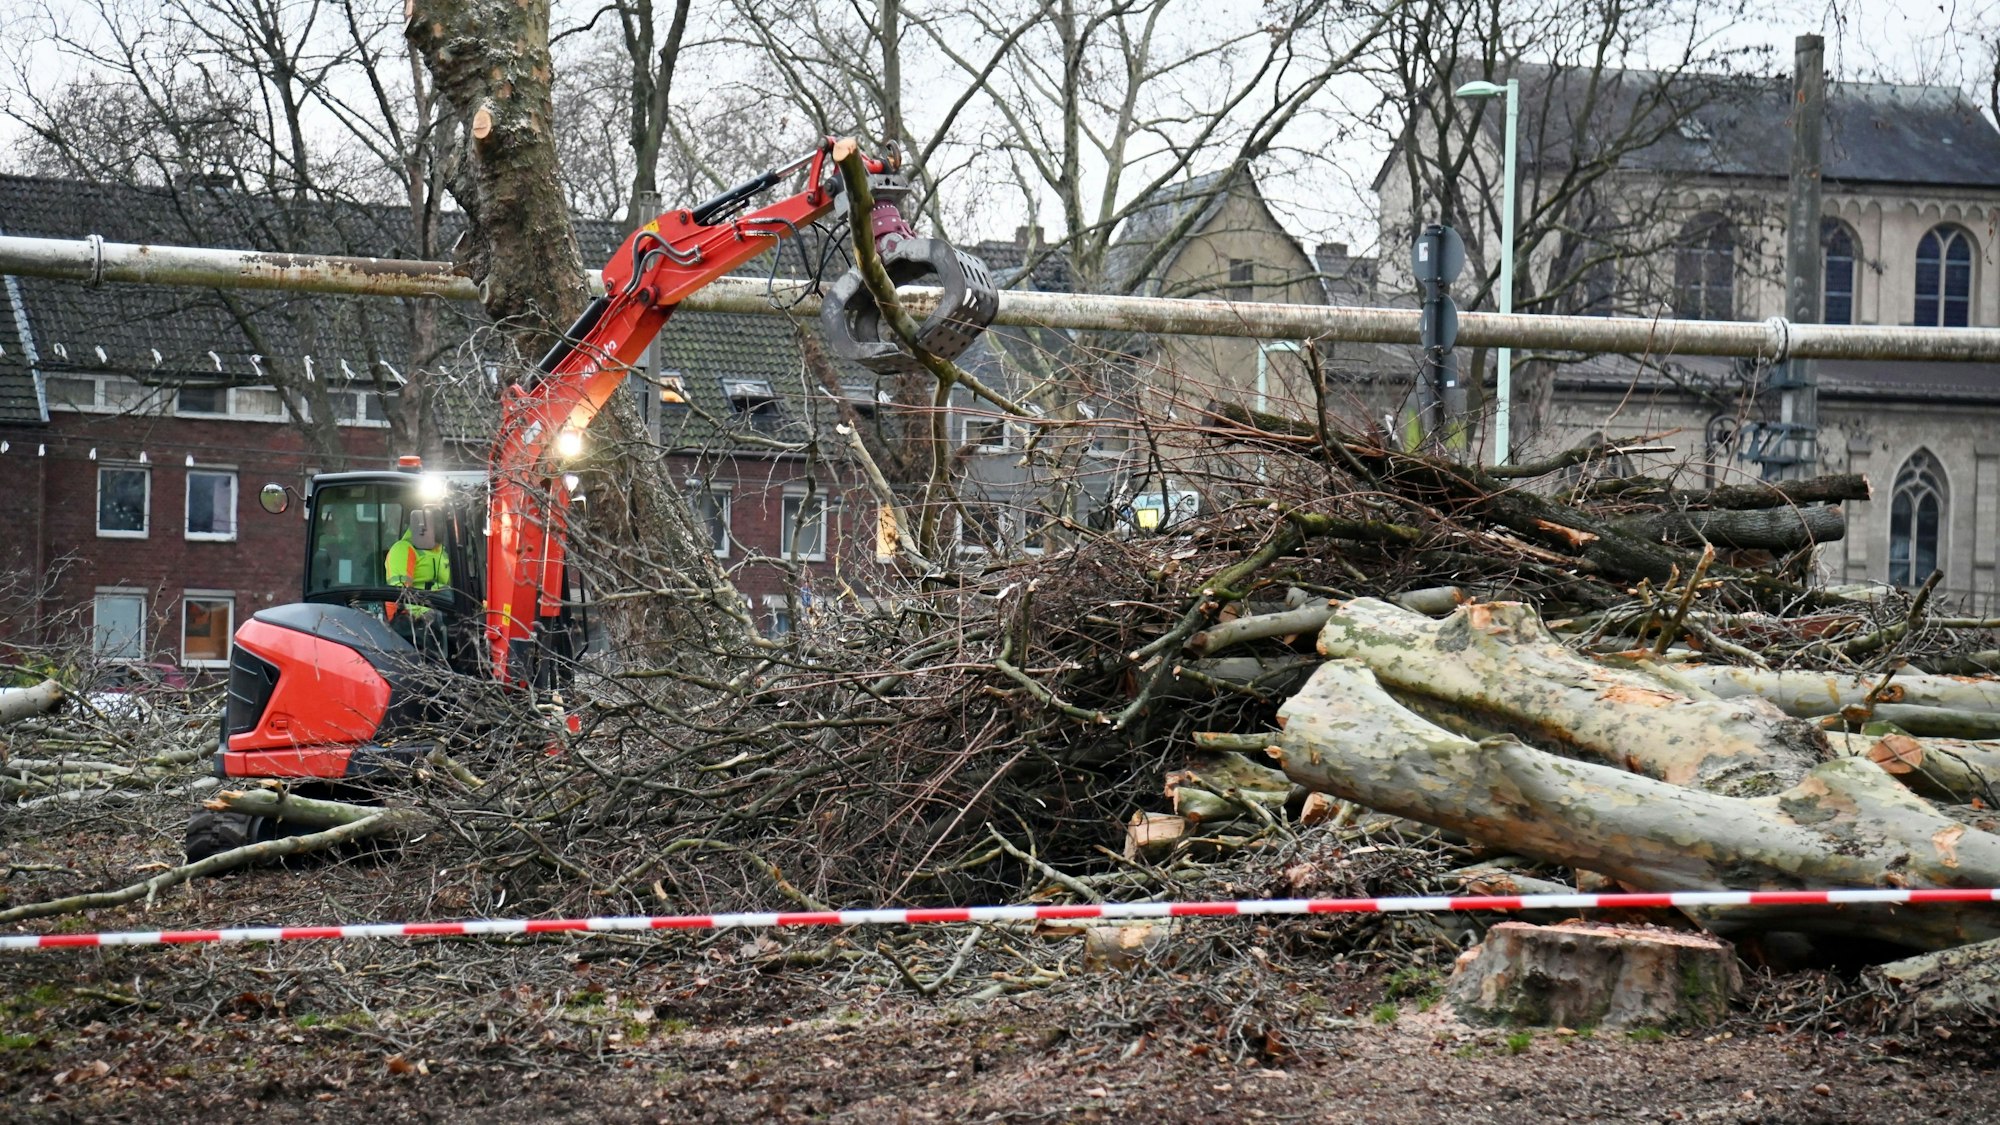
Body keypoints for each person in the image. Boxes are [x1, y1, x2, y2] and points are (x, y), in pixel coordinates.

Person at [385, 509, 452, 650]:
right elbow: (400, 593)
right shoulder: (403, 549)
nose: (443, 525)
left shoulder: (442, 552)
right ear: (423, 523)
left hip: (439, 612)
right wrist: (425, 612)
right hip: (409, 622)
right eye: (438, 520)